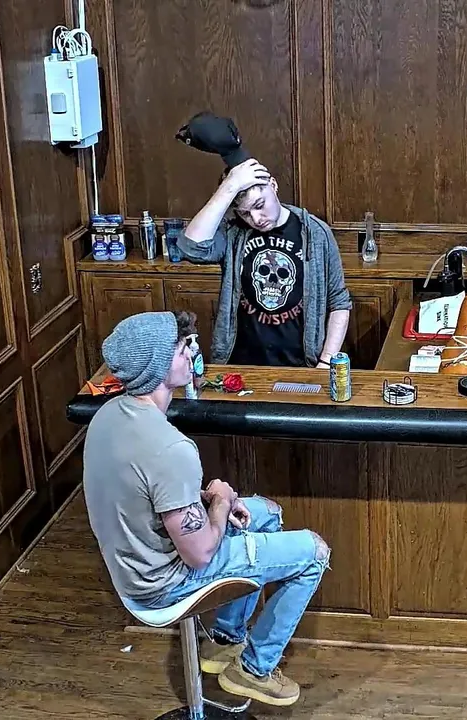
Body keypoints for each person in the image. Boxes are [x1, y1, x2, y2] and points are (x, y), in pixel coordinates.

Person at [82, 310, 330, 707]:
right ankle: (254, 669)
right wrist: (222, 500)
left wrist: (208, 499)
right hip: (163, 583)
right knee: (314, 552)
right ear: (158, 366)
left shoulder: (107, 416)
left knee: (266, 512)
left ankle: (224, 640)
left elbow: (145, 492)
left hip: (131, 567)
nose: (191, 352)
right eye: (182, 348)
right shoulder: (172, 448)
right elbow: (199, 555)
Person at [180, 157, 352, 368]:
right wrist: (229, 186)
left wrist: (326, 362)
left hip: (301, 364)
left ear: (273, 185)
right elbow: (191, 247)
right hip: (240, 364)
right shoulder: (233, 232)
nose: (256, 219)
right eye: (245, 213)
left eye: (259, 205)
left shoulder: (316, 233)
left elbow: (339, 302)